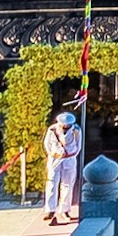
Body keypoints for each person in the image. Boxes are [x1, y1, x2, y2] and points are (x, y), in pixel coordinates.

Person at [41, 94, 87, 225]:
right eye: (64, 126)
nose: (65, 128)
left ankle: (65, 209)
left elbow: (78, 145)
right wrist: (54, 154)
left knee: (68, 184)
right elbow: (47, 144)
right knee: (51, 183)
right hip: (55, 159)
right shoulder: (52, 130)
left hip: (69, 159)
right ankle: (50, 209)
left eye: (67, 126)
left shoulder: (76, 131)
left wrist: (71, 155)